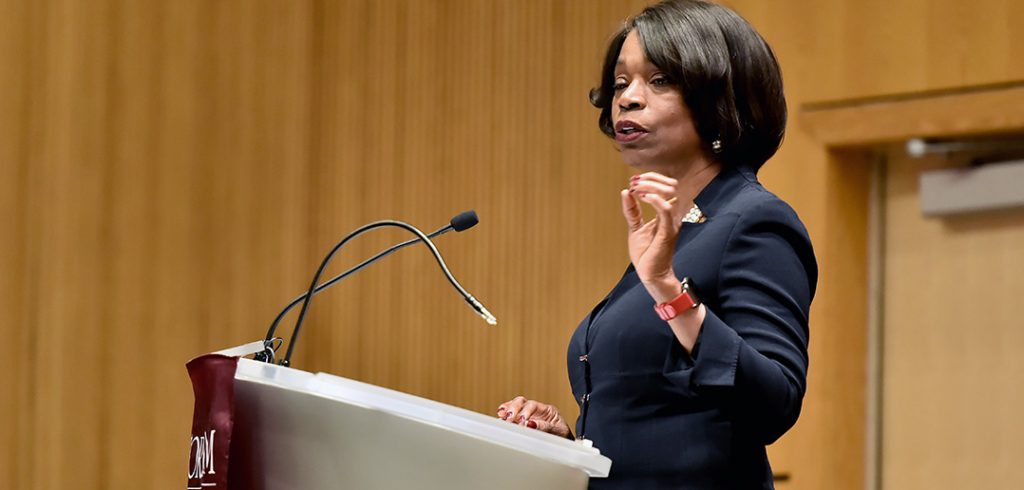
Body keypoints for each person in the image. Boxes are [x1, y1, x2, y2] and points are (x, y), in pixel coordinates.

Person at [496, 1, 817, 488]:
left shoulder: (755, 221)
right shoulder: (683, 232)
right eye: (621, 83)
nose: (627, 99)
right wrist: (569, 441)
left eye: (661, 80)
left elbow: (775, 403)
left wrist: (669, 291)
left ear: (721, 97)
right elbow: (659, 422)